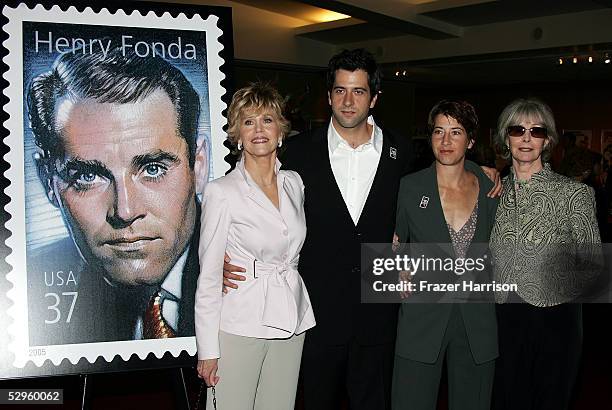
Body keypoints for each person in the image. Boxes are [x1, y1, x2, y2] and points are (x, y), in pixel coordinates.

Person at [223, 49, 501, 409]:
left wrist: (484, 170)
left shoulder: (400, 150)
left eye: (358, 91)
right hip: (317, 310)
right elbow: (243, 188)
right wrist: (224, 254)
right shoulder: (296, 151)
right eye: (340, 90)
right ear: (329, 97)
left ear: (375, 98)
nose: (348, 100)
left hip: (379, 312)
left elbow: (442, 174)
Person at [26, 45, 207, 344]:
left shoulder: (251, 266)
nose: (124, 211)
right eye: (87, 176)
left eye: (152, 168)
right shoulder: (30, 284)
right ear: (48, 181)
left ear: (198, 166)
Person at [195, 83, 315, 410]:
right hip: (240, 321)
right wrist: (208, 350)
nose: (258, 129)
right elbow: (208, 277)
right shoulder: (222, 192)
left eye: (267, 119)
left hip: (292, 318)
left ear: (280, 131)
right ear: (237, 134)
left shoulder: (294, 183)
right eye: (248, 122)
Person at [490, 98, 601, 410]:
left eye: (536, 131)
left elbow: (592, 265)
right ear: (505, 138)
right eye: (517, 129)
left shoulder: (575, 193)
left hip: (556, 320)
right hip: (502, 320)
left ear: (548, 139)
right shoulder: (489, 193)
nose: (526, 138)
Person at [392, 100, 498, 410]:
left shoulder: (491, 186)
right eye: (439, 131)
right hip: (422, 317)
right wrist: (398, 268)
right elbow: (395, 241)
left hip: (476, 321)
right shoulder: (409, 188)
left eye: (456, 132)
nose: (446, 141)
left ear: (471, 140)